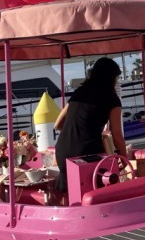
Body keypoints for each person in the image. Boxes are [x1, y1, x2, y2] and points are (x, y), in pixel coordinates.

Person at [53, 57, 127, 196]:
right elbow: (116, 134)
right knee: (95, 192)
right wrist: (125, 158)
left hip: (62, 149)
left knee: (68, 193)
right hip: (86, 152)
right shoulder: (111, 98)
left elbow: (57, 124)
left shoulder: (79, 92)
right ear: (112, 78)